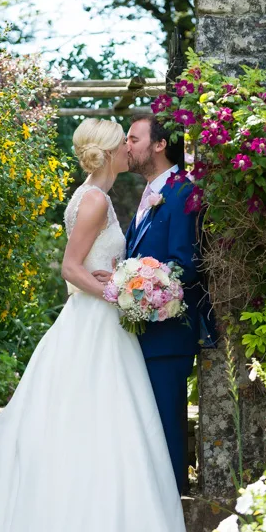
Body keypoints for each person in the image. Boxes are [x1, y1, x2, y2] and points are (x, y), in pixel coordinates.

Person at [0, 118, 202, 532]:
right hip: (94, 324)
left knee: (109, 432)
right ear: (109, 152)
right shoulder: (94, 201)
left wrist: (124, 285)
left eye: (135, 140)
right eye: (123, 142)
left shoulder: (99, 198)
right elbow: (70, 268)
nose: (130, 149)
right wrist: (119, 292)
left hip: (106, 325)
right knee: (85, 427)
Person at [94, 115, 216, 493]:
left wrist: (133, 285)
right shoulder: (151, 193)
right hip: (142, 334)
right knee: (143, 428)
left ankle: (174, 508)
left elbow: (186, 264)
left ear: (159, 144)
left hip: (167, 336)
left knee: (166, 426)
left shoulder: (181, 191)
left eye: (133, 138)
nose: (125, 146)